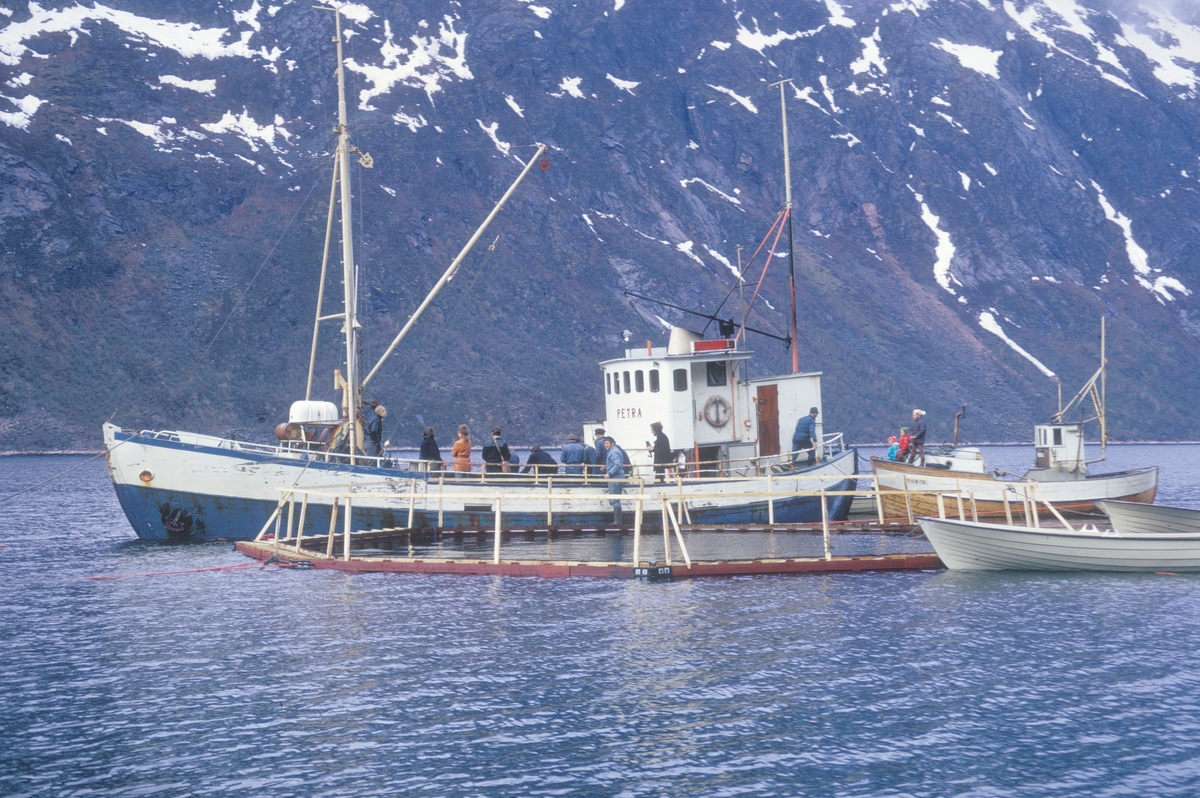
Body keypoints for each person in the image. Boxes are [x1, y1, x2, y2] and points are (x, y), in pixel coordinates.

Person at [603, 436, 626, 526]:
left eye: (607, 443)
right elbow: (615, 463)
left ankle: (618, 521)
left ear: (612, 443)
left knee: (615, 499)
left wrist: (609, 473)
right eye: (605, 443)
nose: (606, 445)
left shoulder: (613, 451)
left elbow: (617, 464)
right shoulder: (615, 450)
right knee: (615, 499)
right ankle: (618, 520)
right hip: (618, 477)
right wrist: (606, 466)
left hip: (615, 478)